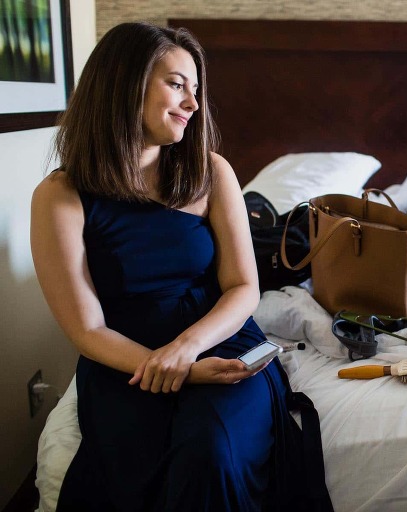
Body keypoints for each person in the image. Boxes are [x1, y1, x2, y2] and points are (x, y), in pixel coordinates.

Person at [30, 22, 331, 511]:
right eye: (176, 84)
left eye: (196, 89)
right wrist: (179, 369)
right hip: (124, 359)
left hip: (218, 337)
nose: (193, 104)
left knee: (211, 453)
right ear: (125, 84)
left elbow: (242, 286)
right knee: (139, 463)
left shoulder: (211, 171)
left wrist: (187, 348)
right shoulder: (60, 195)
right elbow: (86, 328)